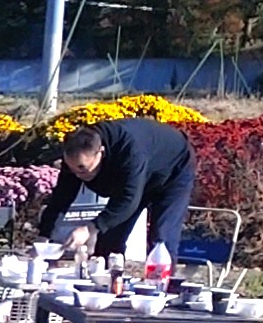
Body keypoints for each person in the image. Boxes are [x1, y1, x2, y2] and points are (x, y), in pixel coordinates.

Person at [48, 112, 198, 265]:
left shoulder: (130, 150)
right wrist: (44, 236)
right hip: (140, 172)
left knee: (161, 241)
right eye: (72, 170)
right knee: (108, 242)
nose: (78, 175)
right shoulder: (76, 155)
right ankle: (106, 276)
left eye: (83, 169)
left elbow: (128, 200)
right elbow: (61, 197)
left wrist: (90, 228)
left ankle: (164, 278)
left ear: (101, 153)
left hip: (174, 170)